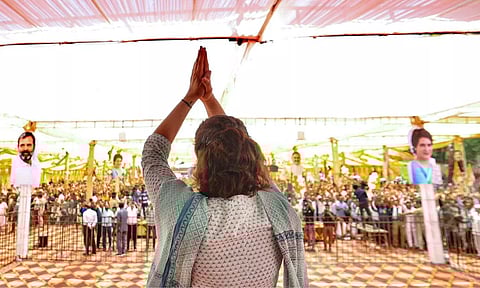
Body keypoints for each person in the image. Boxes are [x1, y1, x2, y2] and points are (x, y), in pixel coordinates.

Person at [141, 47, 307, 288]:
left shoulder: (181, 212)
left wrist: (192, 96)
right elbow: (234, 142)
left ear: (201, 162)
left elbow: (153, 154)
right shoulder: (273, 209)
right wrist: (209, 99)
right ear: (249, 157)